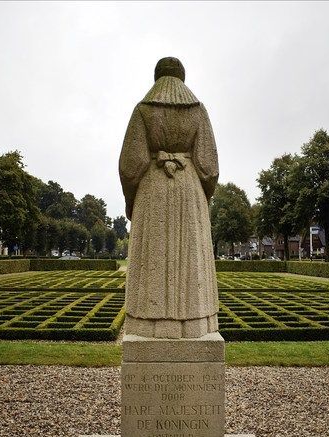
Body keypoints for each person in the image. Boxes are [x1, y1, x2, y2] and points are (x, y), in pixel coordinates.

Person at [119, 57, 219, 338]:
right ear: (182, 78)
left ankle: (147, 327)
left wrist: (131, 201)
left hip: (152, 190)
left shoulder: (142, 110)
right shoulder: (198, 111)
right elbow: (209, 168)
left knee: (152, 257)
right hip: (190, 189)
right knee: (191, 261)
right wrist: (203, 200)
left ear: (157, 78)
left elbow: (130, 165)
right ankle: (193, 325)